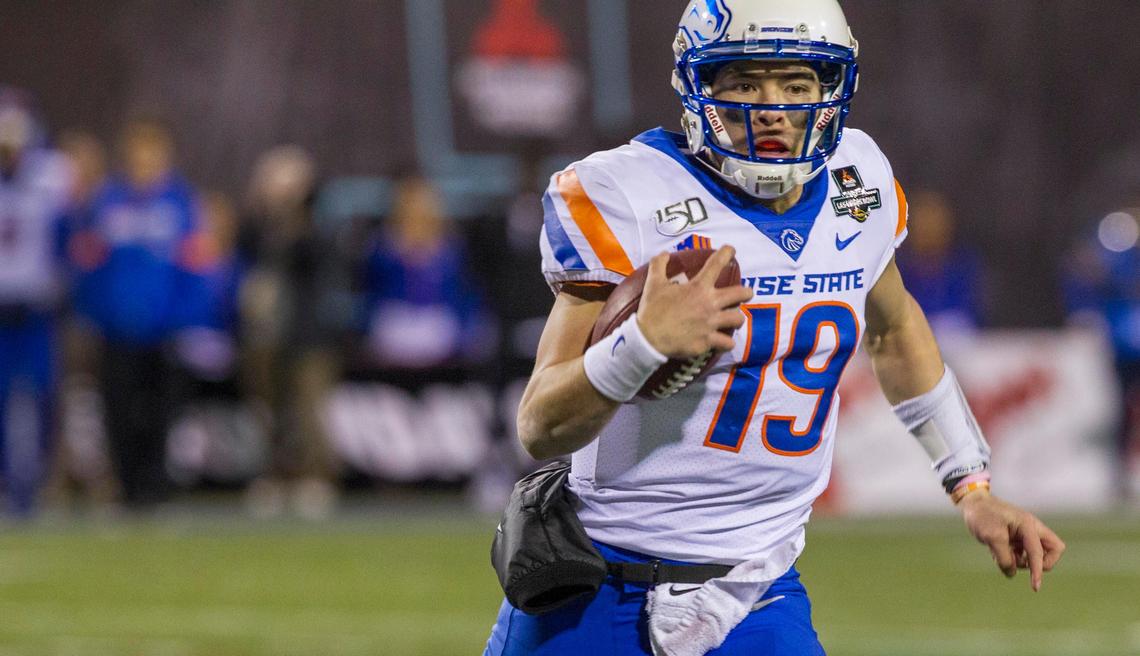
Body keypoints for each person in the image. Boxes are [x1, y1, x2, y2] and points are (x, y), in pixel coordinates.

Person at [484, 1, 1066, 654]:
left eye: (796, 83)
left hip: (755, 591)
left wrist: (972, 487)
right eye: (744, 81)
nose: (772, 106)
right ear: (698, 85)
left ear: (831, 88)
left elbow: (896, 329)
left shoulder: (856, 180)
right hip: (600, 583)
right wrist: (639, 346)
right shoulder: (627, 193)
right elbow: (539, 426)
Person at [70, 116, 205, 509]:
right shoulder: (106, 202)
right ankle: (126, 486)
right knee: (118, 409)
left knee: (162, 411)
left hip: (165, 328)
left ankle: (156, 487)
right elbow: (89, 264)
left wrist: (186, 317)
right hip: (116, 327)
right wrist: (95, 313)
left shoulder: (180, 203)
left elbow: (194, 266)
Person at [0, 88, 72, 517]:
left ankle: (33, 485)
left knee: (40, 396)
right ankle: (12, 484)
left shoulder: (49, 179)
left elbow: (65, 238)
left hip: (34, 308)